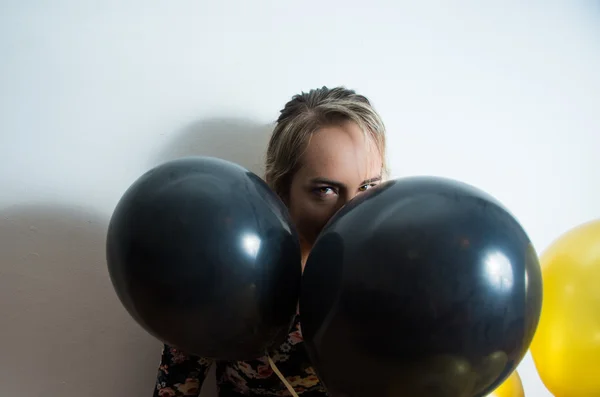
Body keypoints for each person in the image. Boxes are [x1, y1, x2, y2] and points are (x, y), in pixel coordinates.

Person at [153, 86, 388, 397]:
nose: (351, 211)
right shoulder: (228, 275)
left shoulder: (395, 277)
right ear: (280, 188)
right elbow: (177, 386)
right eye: (326, 190)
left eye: (368, 186)